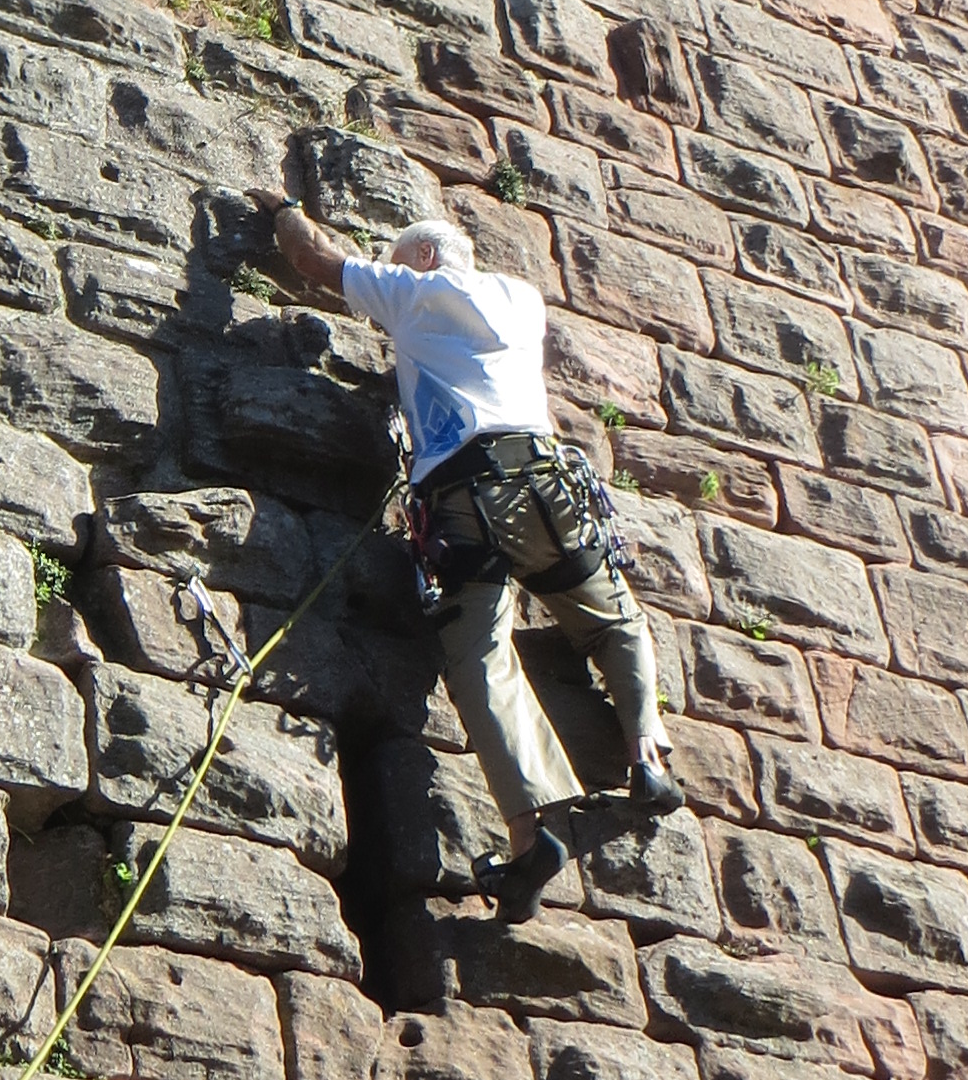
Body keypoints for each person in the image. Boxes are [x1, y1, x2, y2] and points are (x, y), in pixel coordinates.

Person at [272, 200, 680, 913]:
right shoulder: (524, 301)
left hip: (469, 497)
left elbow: (312, 256)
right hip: (550, 484)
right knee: (614, 618)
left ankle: (530, 838)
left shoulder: (414, 291)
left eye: (400, 262)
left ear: (424, 258)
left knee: (482, 657)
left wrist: (280, 209)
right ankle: (647, 754)